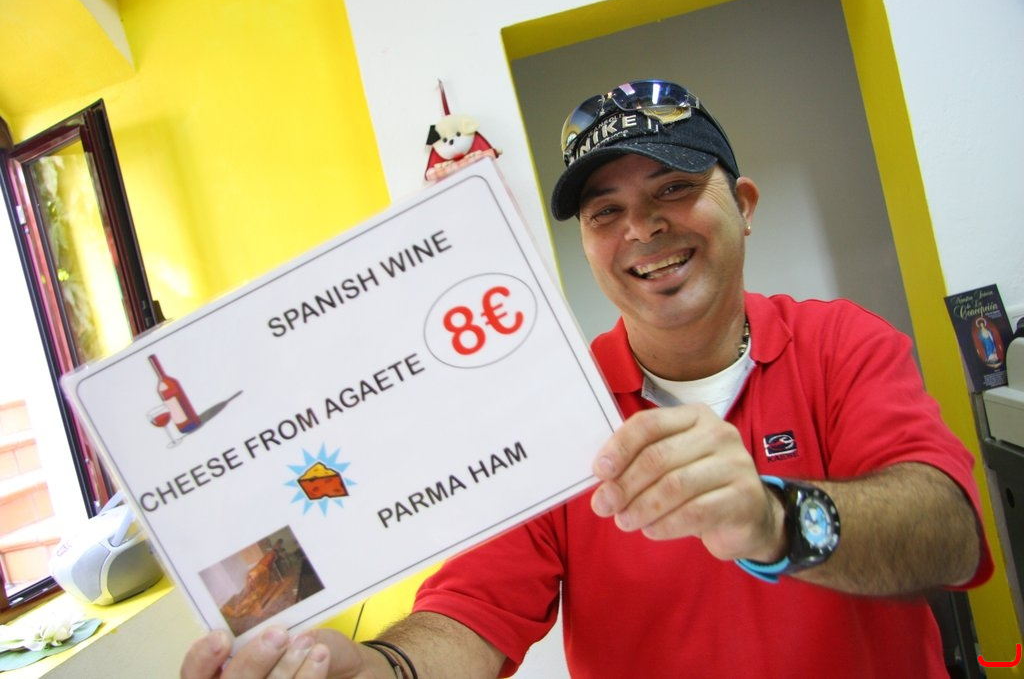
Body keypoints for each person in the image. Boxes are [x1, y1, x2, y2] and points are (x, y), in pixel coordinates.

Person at [181, 79, 992, 678]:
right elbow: (470, 612)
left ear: (743, 204)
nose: (642, 226)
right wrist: (377, 669)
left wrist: (776, 518)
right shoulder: (549, 402)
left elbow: (951, 537)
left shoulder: (841, 343)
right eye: (605, 211)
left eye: (674, 187)